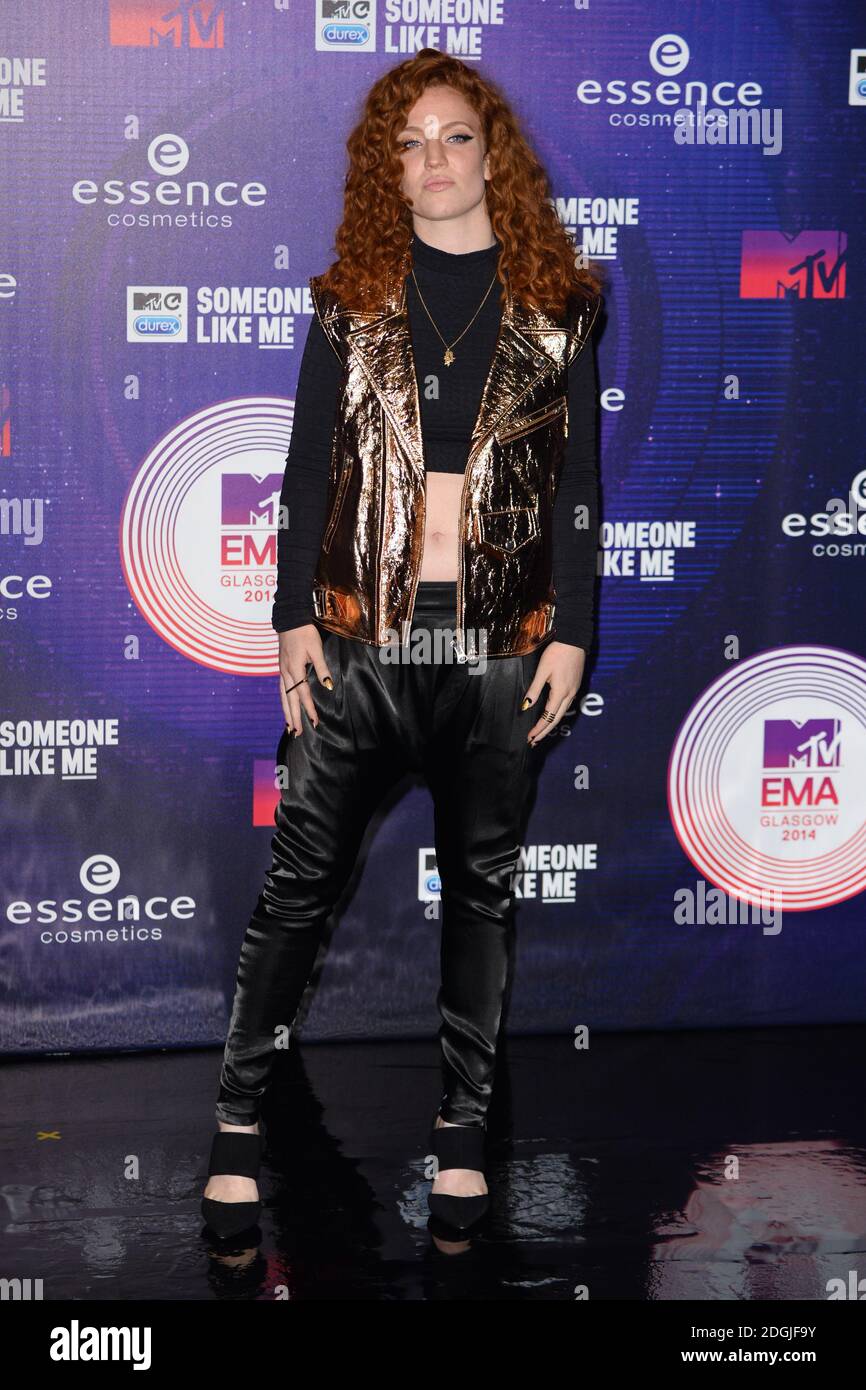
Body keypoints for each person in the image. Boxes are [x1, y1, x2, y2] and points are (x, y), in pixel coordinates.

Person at [201, 47, 602, 1239]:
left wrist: (571, 631)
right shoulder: (349, 299)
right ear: (389, 167)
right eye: (407, 142)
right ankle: (230, 1124)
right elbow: (308, 469)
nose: (431, 159)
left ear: (494, 153)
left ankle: (462, 1132)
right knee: (296, 893)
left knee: (479, 896)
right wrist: (289, 618)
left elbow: (576, 485)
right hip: (360, 641)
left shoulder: (563, 306)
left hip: (493, 650)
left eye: (452, 136)